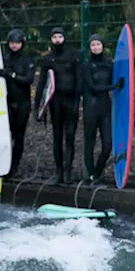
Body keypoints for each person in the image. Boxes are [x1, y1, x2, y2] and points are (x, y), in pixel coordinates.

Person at [36, 27, 81, 183]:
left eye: (60, 36)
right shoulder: (47, 59)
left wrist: (76, 101)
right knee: (57, 137)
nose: (57, 40)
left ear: (64, 38)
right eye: (54, 37)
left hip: (70, 101)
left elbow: (79, 79)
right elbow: (42, 83)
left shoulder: (74, 55)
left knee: (70, 137)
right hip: (55, 103)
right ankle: (59, 172)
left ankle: (68, 171)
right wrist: (38, 108)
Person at [77, 33, 122, 182]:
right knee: (89, 143)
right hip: (91, 108)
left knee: (107, 145)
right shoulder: (86, 66)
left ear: (102, 46)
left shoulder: (109, 64)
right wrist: (114, 86)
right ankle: (91, 175)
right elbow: (94, 87)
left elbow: (120, 77)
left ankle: (97, 172)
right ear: (89, 48)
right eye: (93, 45)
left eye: (98, 44)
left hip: (105, 109)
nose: (96, 47)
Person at [0, 28, 35, 175]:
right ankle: (3, 164)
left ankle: (14, 167)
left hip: (22, 103)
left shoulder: (27, 59)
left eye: (17, 43)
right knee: (6, 135)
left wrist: (11, 75)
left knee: (19, 136)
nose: (14, 46)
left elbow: (28, 80)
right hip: (7, 102)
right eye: (12, 43)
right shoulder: (5, 58)